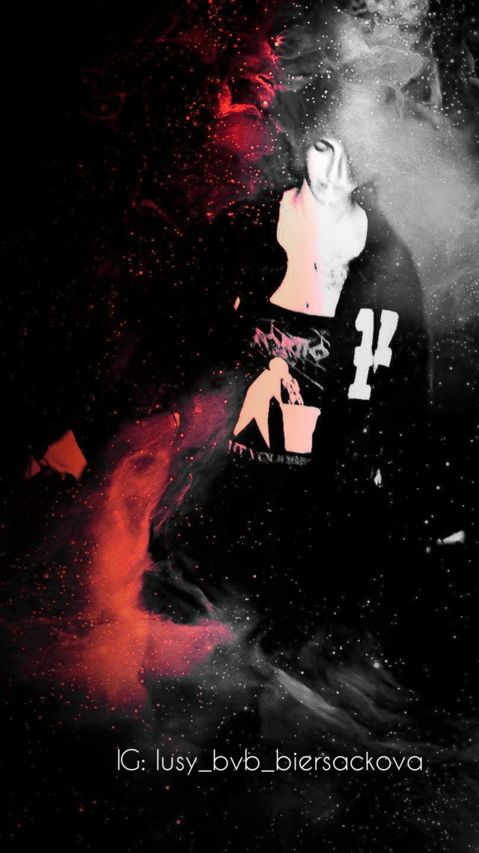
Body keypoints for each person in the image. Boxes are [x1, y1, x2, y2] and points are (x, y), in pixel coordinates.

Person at [142, 132, 437, 644]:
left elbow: (404, 394)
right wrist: (97, 430)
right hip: (208, 513)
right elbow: (174, 338)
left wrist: (417, 507)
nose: (335, 169)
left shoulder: (388, 264)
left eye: (351, 156)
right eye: (324, 148)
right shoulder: (245, 232)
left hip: (306, 536)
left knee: (271, 641)